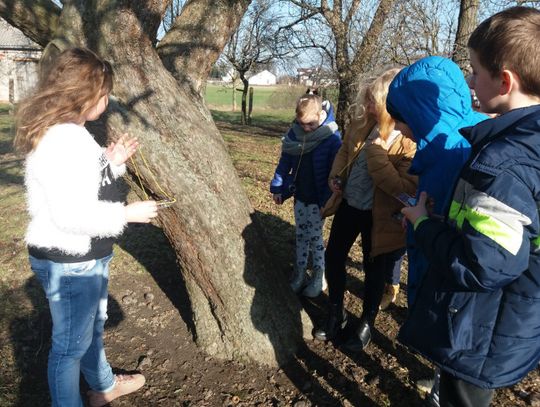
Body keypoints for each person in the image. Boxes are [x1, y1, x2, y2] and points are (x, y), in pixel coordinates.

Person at [398, 6, 540, 406]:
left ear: (505, 80)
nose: (470, 82)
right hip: (511, 318)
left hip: (483, 331)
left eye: (475, 71)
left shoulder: (502, 164)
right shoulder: (529, 144)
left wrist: (425, 225)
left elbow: (485, 264)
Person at [14, 48, 158, 407]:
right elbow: (71, 215)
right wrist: (127, 214)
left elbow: (82, 183)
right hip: (72, 259)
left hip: (81, 255)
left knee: (90, 331)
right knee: (70, 347)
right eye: (103, 93)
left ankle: (104, 387)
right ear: (84, 96)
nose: (107, 100)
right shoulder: (63, 141)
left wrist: (111, 161)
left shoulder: (69, 132)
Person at [386, 56, 487, 406]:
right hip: (442, 261)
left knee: (453, 338)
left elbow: (463, 223)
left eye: (401, 119)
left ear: (422, 113)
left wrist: (423, 221)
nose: (398, 129)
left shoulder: (451, 150)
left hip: (451, 276)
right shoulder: (445, 142)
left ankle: (444, 392)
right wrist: (418, 214)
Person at [314, 68, 417, 350]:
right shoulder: (362, 124)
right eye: (367, 99)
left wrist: (376, 151)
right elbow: (344, 152)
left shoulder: (409, 139)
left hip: (381, 216)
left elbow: (402, 187)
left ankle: (366, 323)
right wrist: (336, 176)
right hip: (350, 203)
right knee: (333, 256)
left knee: (375, 270)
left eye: (374, 101)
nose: (368, 105)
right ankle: (336, 311)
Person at [270, 94, 341, 297]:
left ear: (321, 115)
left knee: (316, 237)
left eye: (311, 124)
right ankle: (300, 273)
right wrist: (278, 188)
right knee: (301, 235)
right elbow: (284, 165)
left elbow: (334, 172)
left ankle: (319, 276)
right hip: (300, 194)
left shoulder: (331, 137)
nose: (307, 129)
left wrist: (326, 201)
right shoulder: (294, 135)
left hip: (320, 198)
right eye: (302, 124)